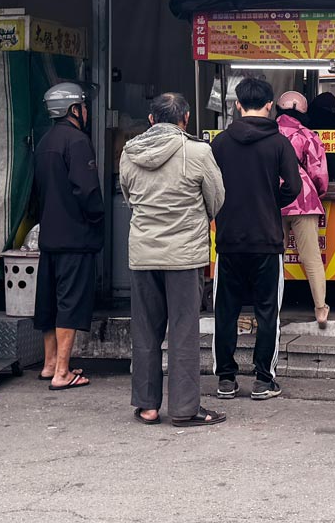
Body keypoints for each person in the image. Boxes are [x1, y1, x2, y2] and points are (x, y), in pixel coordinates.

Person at [120, 92, 228, 428]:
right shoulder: (198, 151)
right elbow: (217, 198)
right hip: (184, 254)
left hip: (143, 252)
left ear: (151, 119)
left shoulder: (129, 152)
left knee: (145, 330)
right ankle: (183, 409)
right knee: (183, 330)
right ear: (186, 118)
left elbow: (128, 195)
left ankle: (148, 405)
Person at [208, 76, 302, 400]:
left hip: (229, 240)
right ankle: (264, 380)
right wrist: (268, 200)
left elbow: (208, 188)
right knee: (267, 312)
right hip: (267, 240)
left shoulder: (219, 143)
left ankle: (225, 380)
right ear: (269, 106)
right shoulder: (279, 143)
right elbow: (294, 186)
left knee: (225, 312)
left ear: (236, 105)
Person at [33, 82, 103, 392]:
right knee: (69, 303)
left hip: (49, 236)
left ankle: (49, 364)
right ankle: (62, 372)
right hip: (75, 237)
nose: (86, 112)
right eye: (84, 106)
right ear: (74, 109)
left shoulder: (45, 141)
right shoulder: (77, 141)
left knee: (48, 301)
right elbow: (87, 190)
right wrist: (97, 217)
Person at [276, 91, 330, 328]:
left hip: (271, 200)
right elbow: (319, 174)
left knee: (273, 257)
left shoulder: (266, 133)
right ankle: (320, 308)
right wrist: (317, 192)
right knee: (311, 258)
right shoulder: (307, 136)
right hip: (303, 198)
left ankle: (271, 307)